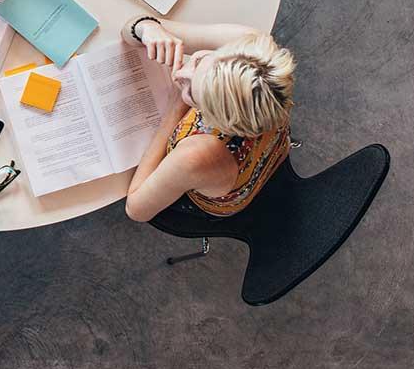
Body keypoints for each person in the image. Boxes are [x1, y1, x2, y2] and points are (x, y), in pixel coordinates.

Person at [122, 15, 296, 221]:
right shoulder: (249, 45)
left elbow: (136, 210)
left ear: (214, 120)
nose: (179, 75)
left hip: (220, 197)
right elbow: (131, 28)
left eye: (192, 94)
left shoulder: (195, 155)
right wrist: (148, 29)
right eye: (199, 60)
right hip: (272, 148)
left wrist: (175, 108)